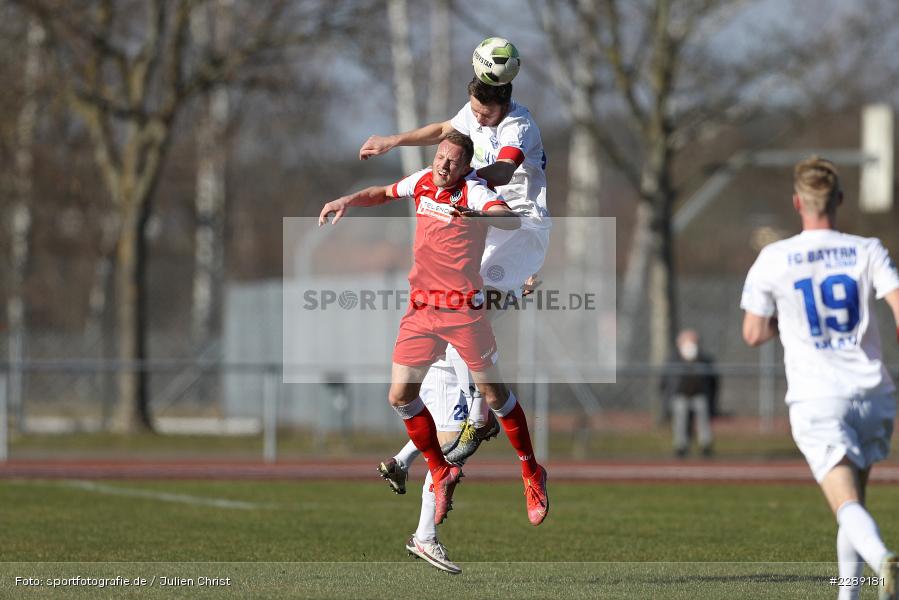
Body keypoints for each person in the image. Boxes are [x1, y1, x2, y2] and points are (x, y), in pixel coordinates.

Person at [320, 133, 550, 574]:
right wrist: (348, 199)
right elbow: (384, 192)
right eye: (441, 158)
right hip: (422, 309)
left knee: (497, 399)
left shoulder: (474, 190)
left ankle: (531, 472)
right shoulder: (424, 180)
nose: (444, 166)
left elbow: (508, 219)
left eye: (453, 161)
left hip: (463, 312)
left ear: (466, 167)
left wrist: (479, 211)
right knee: (400, 396)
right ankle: (438, 471)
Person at [741, 156, 899, 600]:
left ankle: (885, 560)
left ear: (797, 203)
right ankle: (848, 595)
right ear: (840, 200)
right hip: (873, 392)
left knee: (845, 504)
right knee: (854, 505)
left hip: (818, 397)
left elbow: (753, 333)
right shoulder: (868, 249)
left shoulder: (775, 256)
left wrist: (785, 324)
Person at [663, 329, 718, 458]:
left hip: (699, 395)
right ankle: (681, 446)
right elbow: (664, 383)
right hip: (680, 395)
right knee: (680, 411)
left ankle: (706, 445)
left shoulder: (705, 359)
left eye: (692, 341)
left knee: (702, 410)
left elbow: (713, 382)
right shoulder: (673, 359)